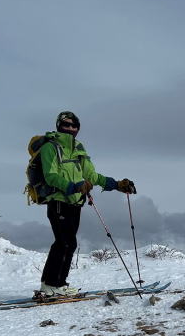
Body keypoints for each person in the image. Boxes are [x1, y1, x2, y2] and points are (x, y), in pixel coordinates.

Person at [39, 111, 136, 296]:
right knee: (65, 243)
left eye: (74, 125)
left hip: (75, 202)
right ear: (58, 126)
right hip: (58, 201)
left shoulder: (78, 148)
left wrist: (116, 185)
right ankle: (54, 285)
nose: (70, 128)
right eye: (66, 125)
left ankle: (50, 285)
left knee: (65, 243)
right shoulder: (50, 148)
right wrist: (73, 186)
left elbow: (92, 176)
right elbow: (50, 176)